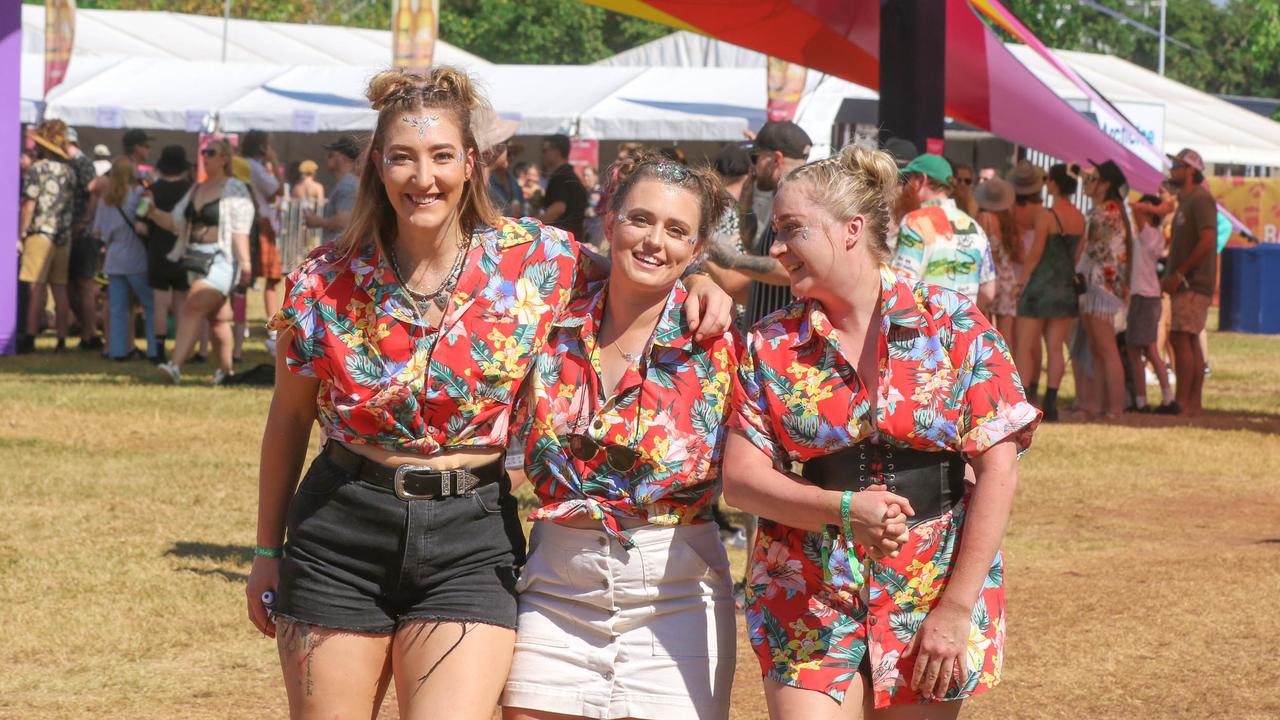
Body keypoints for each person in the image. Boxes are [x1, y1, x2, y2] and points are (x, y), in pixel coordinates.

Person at [243, 66, 731, 720]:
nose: (424, 178)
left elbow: (640, 267)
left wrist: (702, 283)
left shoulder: (537, 260)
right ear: (377, 165)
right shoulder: (323, 280)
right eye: (404, 159)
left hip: (470, 539)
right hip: (339, 532)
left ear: (470, 162)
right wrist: (266, 552)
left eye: (442, 156)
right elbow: (289, 418)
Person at [724, 145, 1039, 718]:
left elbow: (999, 469)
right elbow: (742, 482)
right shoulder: (768, 343)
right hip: (808, 584)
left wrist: (957, 607)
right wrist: (844, 509)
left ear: (852, 229)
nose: (775, 249)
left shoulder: (954, 324)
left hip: (934, 583)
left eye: (791, 230)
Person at [502, 152, 739, 720]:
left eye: (677, 230)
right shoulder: (548, 321)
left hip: (678, 592)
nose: (655, 240)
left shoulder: (721, 349)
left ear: (697, 248)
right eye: (640, 219)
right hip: (557, 588)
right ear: (609, 222)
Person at [149, 139, 254, 385]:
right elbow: (176, 224)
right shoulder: (196, 189)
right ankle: (226, 372)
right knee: (216, 318)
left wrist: (246, 264)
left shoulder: (235, 188)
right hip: (194, 260)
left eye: (211, 152)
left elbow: (240, 231)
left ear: (224, 158)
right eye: (203, 152)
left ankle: (174, 366)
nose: (205, 156)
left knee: (193, 304)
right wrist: (152, 211)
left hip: (222, 260)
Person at [1012, 163, 1084, 422]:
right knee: (1055, 348)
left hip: (1040, 288)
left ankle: (1023, 401)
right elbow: (1076, 256)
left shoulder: (1046, 216)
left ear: (1052, 184)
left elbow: (1034, 256)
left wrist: (1020, 283)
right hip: (1065, 289)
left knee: (1025, 346)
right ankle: (1051, 404)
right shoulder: (1079, 217)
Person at [891, 153, 996, 310]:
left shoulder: (916, 222)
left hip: (925, 331)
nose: (904, 188)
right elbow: (988, 292)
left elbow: (900, 287)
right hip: (965, 330)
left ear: (921, 180)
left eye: (907, 181)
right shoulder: (975, 228)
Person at [1160, 148, 1217, 416]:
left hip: (1193, 282)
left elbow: (1207, 240)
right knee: (1185, 338)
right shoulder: (1187, 200)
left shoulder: (1201, 199)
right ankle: (1191, 403)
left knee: (1182, 337)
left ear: (1191, 170)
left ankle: (1184, 402)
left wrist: (1180, 274)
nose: (1172, 168)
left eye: (1177, 165)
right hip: (1187, 281)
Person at [742, 121, 813, 328]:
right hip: (768, 337)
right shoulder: (780, 197)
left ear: (776, 159)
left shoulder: (801, 201)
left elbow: (788, 270)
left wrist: (730, 261)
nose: (753, 165)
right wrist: (746, 199)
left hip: (783, 342)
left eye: (755, 158)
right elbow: (752, 247)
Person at [1076, 160, 1132, 420]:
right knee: (1100, 348)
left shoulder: (1106, 211)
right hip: (1100, 283)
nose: (1087, 183)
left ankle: (1114, 408)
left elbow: (1097, 248)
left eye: (1093, 179)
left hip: (1102, 286)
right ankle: (1100, 407)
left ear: (1105, 184)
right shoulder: (1108, 209)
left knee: (1106, 349)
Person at [17, 120, 76, 355]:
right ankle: (61, 339)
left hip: (40, 233)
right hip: (63, 235)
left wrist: (21, 233)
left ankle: (30, 336)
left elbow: (29, 204)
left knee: (35, 287)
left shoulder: (37, 169)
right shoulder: (69, 171)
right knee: (59, 288)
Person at [95, 157, 156, 361]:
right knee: (149, 304)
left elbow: (98, 231)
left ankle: (117, 350)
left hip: (114, 257)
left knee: (117, 308)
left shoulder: (106, 199)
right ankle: (154, 349)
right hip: (136, 256)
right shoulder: (138, 195)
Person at [144, 145, 194, 364]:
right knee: (182, 303)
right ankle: (181, 350)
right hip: (183, 250)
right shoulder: (191, 190)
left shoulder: (152, 190)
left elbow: (142, 225)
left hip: (158, 251)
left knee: (160, 304)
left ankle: (158, 349)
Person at [1126, 195, 1175, 412]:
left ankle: (1156, 400)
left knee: (1146, 349)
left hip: (1143, 297)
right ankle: (1152, 399)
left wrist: (1155, 208)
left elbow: (1135, 208)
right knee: (1140, 349)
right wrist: (1159, 209)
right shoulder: (1157, 236)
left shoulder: (1147, 234)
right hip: (1148, 295)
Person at [241, 130, 286, 342]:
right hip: (262, 225)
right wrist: (275, 162)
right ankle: (271, 325)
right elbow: (277, 191)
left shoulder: (244, 165)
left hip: (248, 223)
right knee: (272, 276)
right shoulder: (256, 168)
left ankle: (243, 326)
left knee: (243, 278)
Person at [65, 127, 106, 352]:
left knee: (84, 285)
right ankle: (88, 332)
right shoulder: (74, 164)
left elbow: (93, 194)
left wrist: (85, 221)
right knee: (72, 286)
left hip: (84, 234)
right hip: (74, 232)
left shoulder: (83, 164)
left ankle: (90, 335)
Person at [974, 177, 1020, 341]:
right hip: (1008, 279)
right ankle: (1008, 366)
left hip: (990, 278)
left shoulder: (984, 217)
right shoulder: (1009, 220)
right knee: (1006, 336)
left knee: (984, 330)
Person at [304, 135, 360, 246]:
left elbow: (344, 221)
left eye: (331, 155)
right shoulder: (348, 182)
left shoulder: (347, 185)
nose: (327, 158)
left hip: (341, 253)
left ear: (342, 158)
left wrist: (318, 221)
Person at [541, 134, 588, 241]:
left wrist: (531, 225)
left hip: (562, 242)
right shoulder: (571, 175)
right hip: (573, 240)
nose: (543, 155)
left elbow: (558, 209)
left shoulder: (561, 177)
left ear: (556, 151)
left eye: (545, 150)